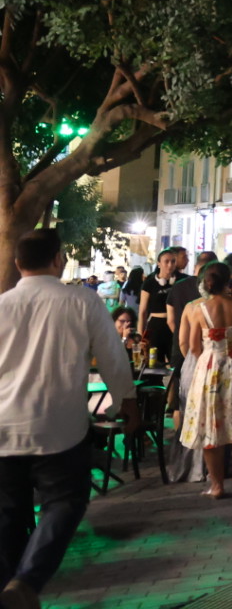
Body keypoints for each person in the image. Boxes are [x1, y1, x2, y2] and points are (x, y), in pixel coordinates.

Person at [0, 229, 139, 609]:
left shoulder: (2, 305)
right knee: (64, 501)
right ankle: (26, 581)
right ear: (58, 260)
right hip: (58, 426)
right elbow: (112, 356)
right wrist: (126, 402)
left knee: (7, 515)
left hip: (4, 428)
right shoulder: (82, 301)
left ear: (17, 264)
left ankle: (11, 587)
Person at [178, 261, 232, 498]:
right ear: (228, 280)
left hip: (212, 368)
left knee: (210, 425)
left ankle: (217, 485)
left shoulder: (199, 309)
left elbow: (194, 346)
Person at [139, 249, 182, 362]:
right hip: (156, 326)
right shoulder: (150, 282)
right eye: (166, 261)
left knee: (176, 360)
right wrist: (140, 335)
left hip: (175, 325)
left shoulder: (181, 281)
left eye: (173, 261)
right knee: (154, 361)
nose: (170, 265)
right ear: (159, 263)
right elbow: (142, 311)